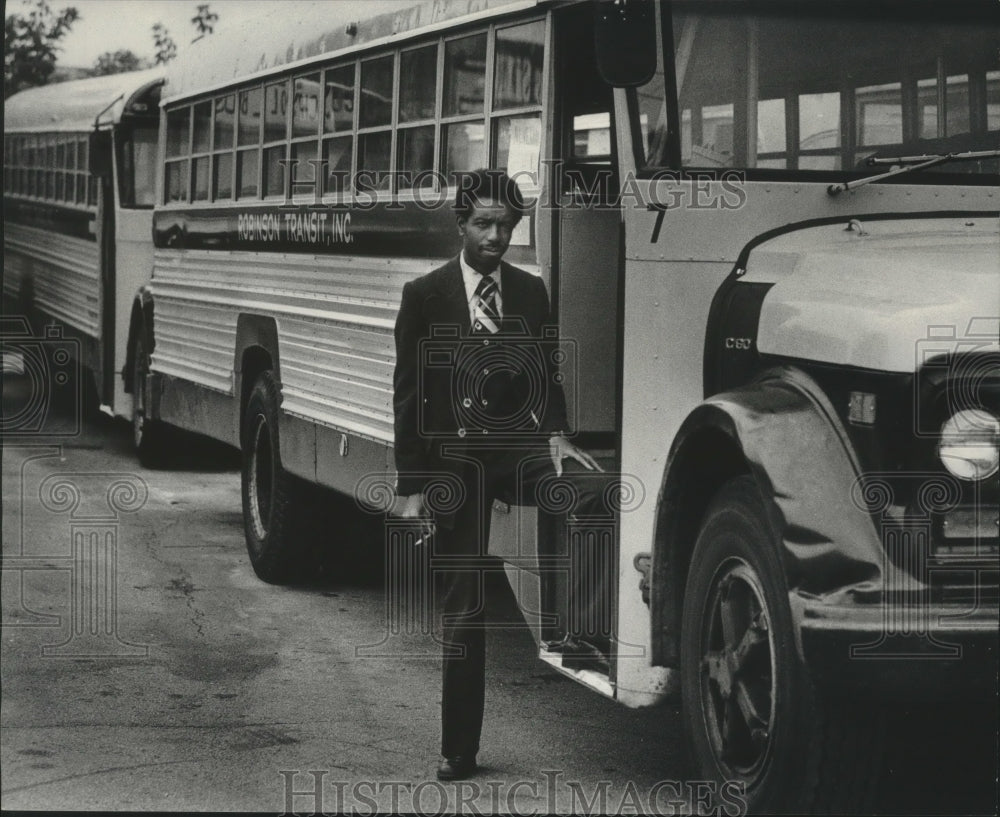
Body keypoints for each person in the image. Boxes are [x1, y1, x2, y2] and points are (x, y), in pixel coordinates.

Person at [391, 169, 615, 781]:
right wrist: (412, 484)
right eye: (484, 224)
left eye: (507, 226)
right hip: (455, 462)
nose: (496, 236)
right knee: (465, 610)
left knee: (593, 490)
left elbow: (546, 371)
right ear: (460, 224)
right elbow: (407, 395)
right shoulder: (425, 294)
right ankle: (458, 748)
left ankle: (579, 633)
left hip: (518, 449)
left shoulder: (530, 290)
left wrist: (559, 433)